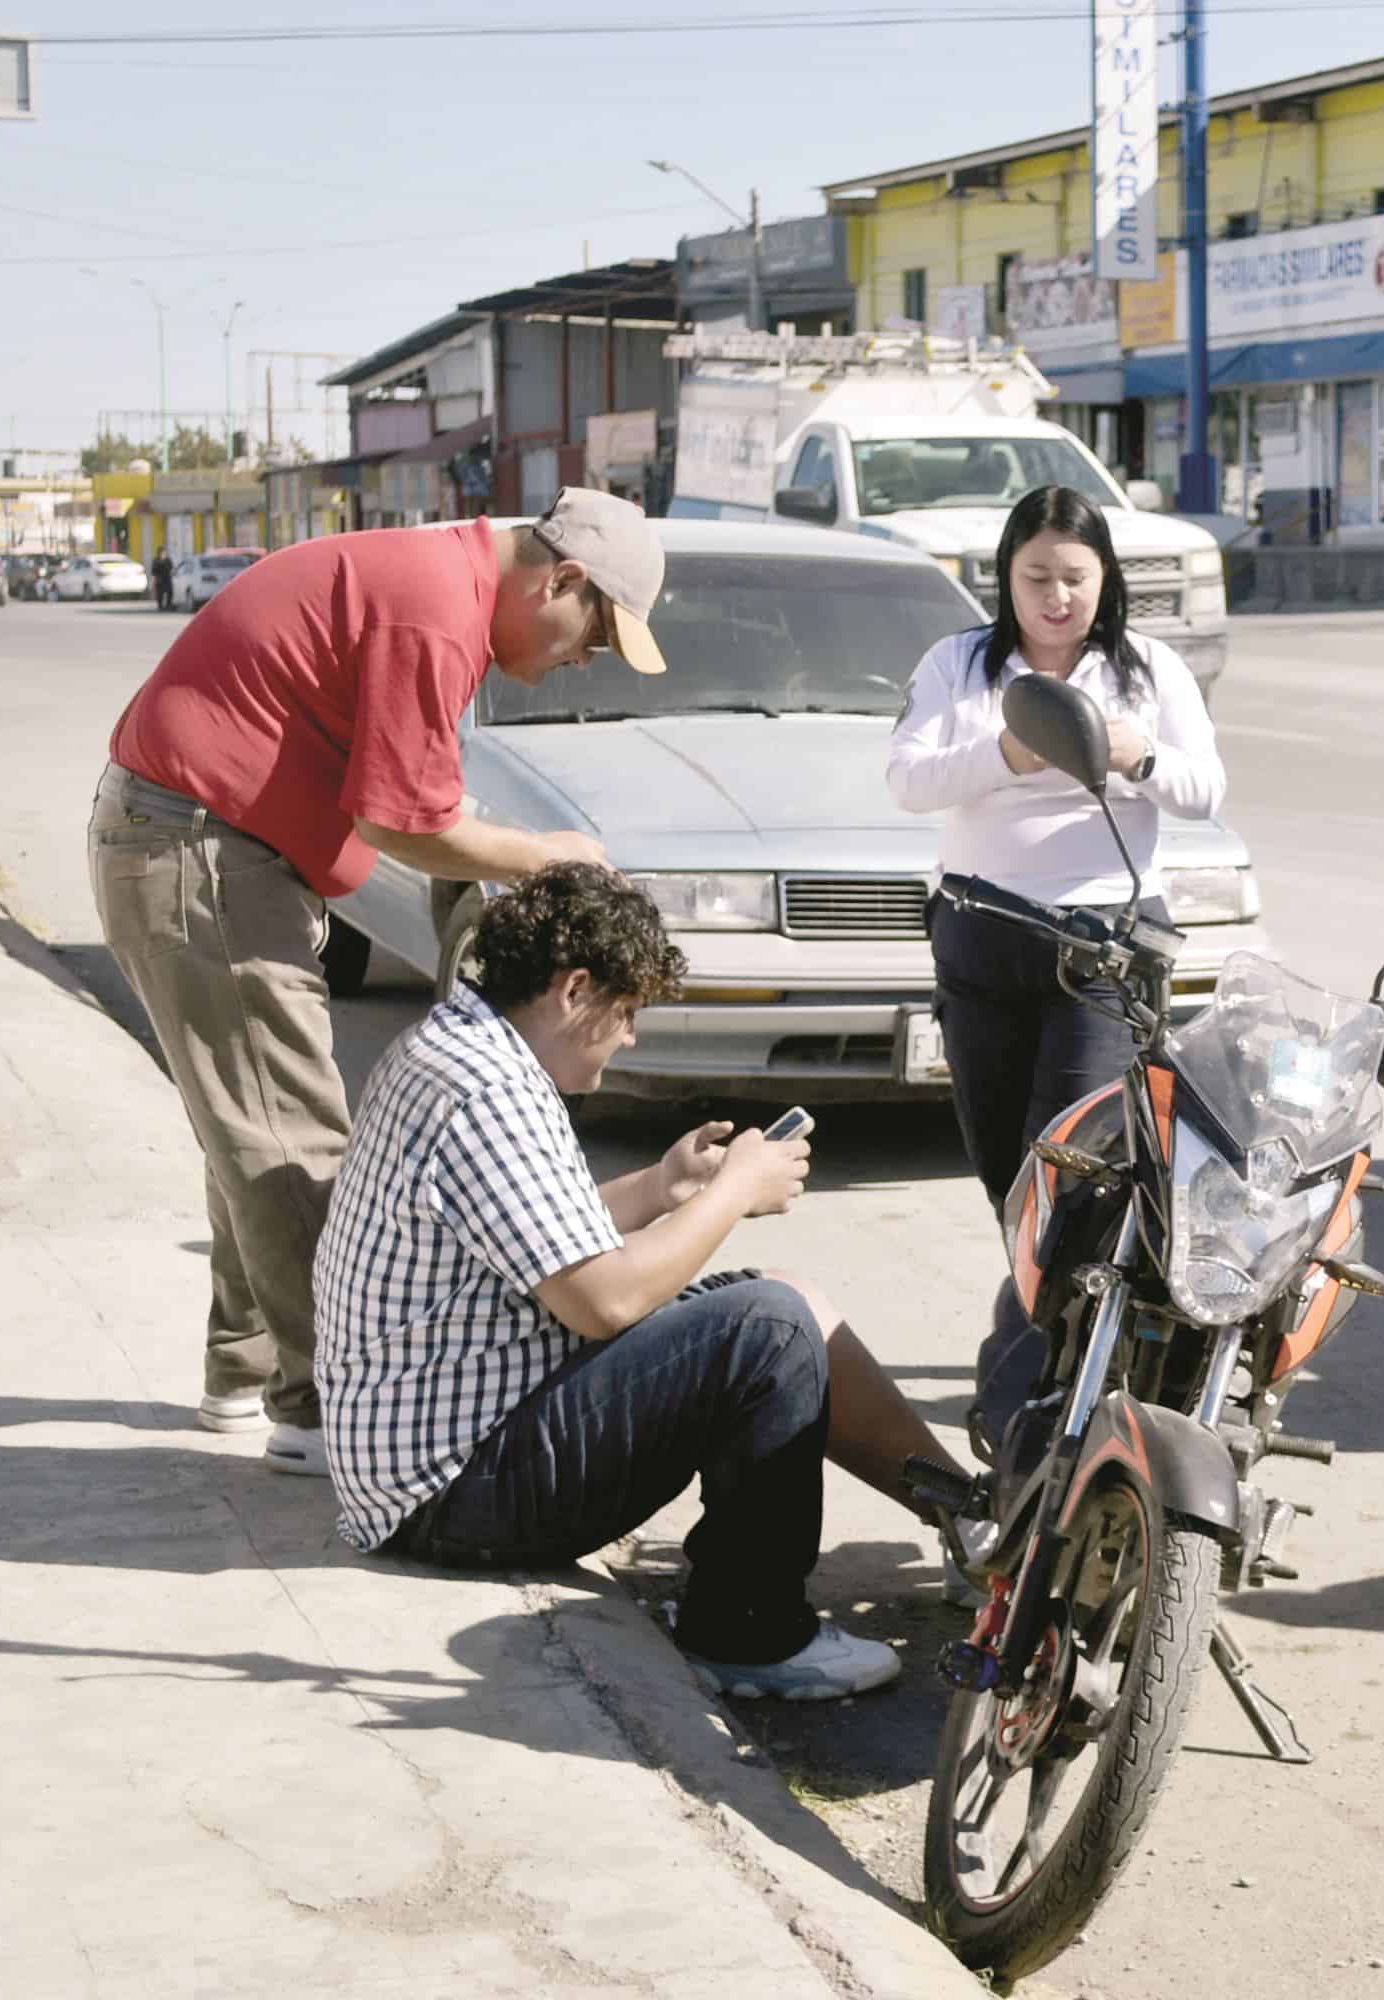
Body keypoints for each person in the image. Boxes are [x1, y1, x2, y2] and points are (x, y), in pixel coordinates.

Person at [89, 489, 660, 1477]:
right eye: (593, 636)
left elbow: (412, 790)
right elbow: (409, 822)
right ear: (560, 579)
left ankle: (248, 1371)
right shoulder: (433, 607)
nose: (583, 658)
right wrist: (543, 853)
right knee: (292, 1140)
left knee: (252, 1120)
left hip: (208, 842)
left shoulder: (438, 583)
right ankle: (337, 1405)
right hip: (202, 848)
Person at [316, 865, 983, 1699]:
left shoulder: (464, 1042)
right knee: (767, 1328)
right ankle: (748, 1635)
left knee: (789, 1299)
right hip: (452, 1492)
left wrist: (662, 1189)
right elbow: (605, 1303)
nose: (628, 1036)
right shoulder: (488, 1090)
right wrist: (735, 1192)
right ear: (574, 989)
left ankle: (966, 1516)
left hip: (446, 1447)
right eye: (626, 1013)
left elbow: (525, 1232)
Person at [885, 483, 1225, 1446]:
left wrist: (1135, 754)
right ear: (1006, 578)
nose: (1057, 597)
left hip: (1104, 951)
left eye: (1076, 577)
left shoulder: (1147, 669)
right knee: (1008, 1180)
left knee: (1070, 1182)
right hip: (983, 938)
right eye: (1036, 577)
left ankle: (1031, 1403)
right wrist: (1011, 753)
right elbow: (909, 777)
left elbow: (1206, 786)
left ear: (1105, 577)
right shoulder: (960, 663)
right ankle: (1042, 1373)